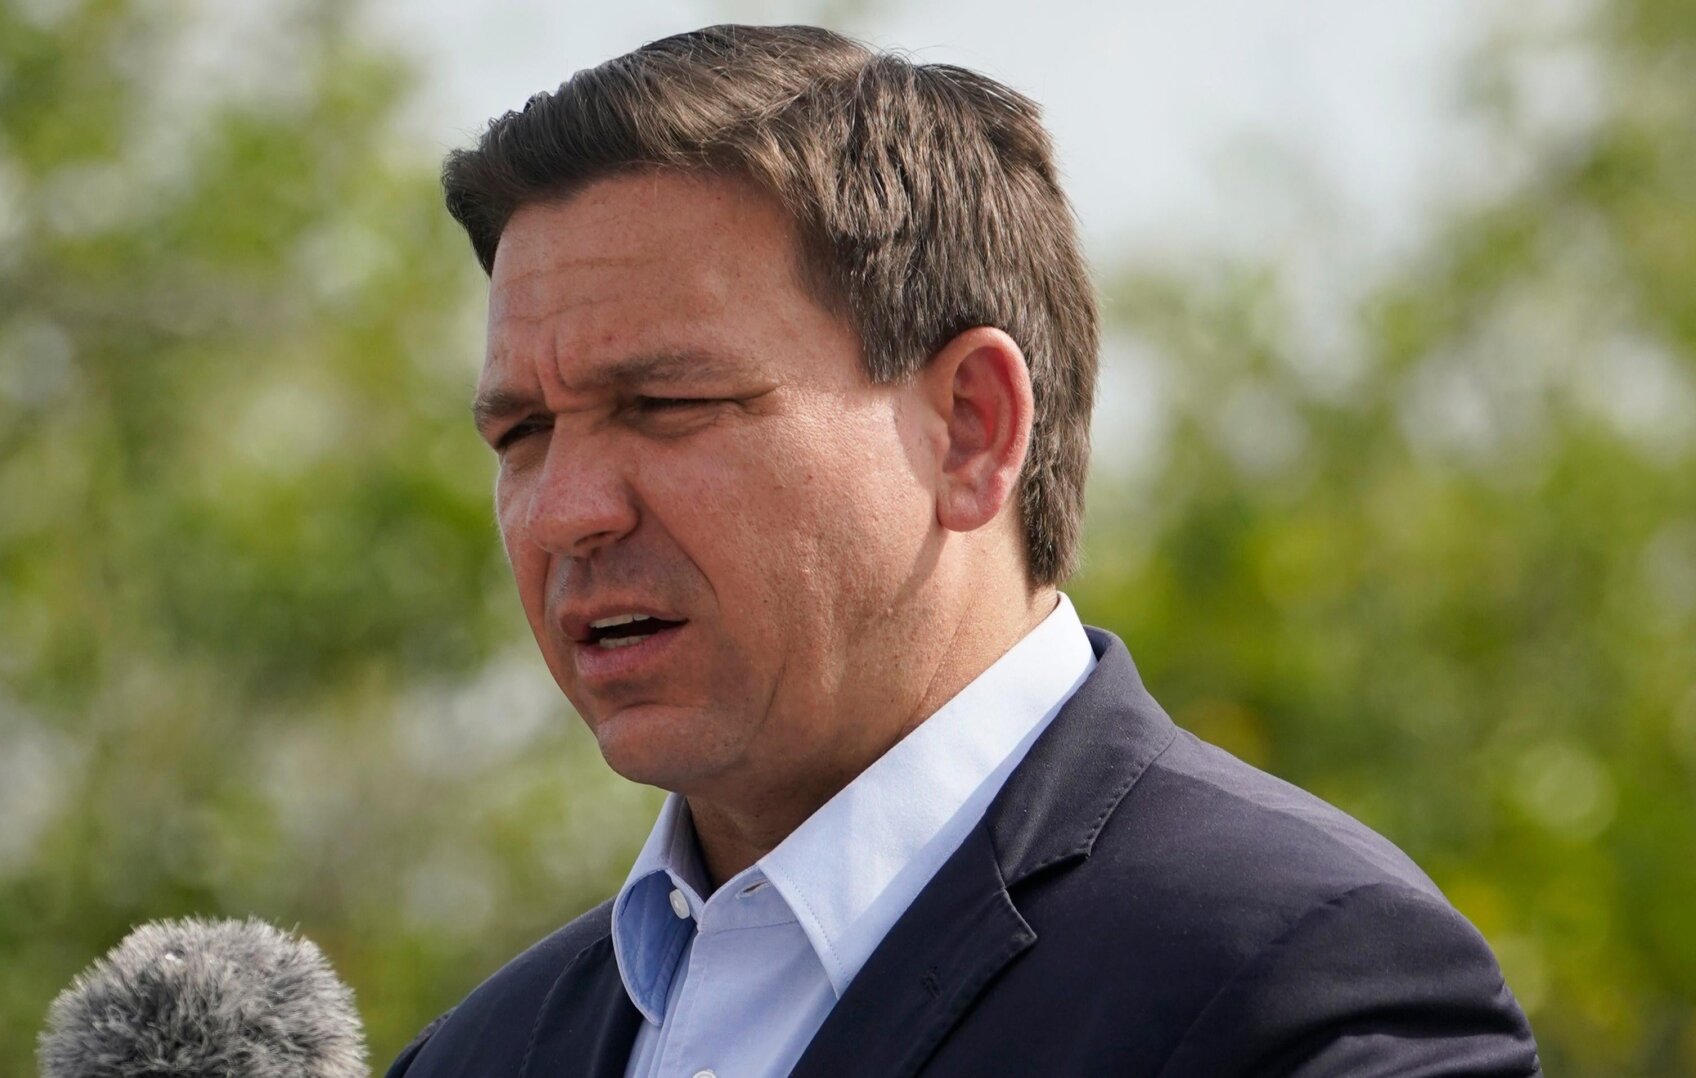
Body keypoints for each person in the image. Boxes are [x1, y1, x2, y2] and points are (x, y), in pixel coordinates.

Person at [387, 24, 1539, 1078]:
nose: (565, 511)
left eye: (667, 403)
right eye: (522, 433)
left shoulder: (1307, 986)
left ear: (972, 427)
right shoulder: (475, 1056)